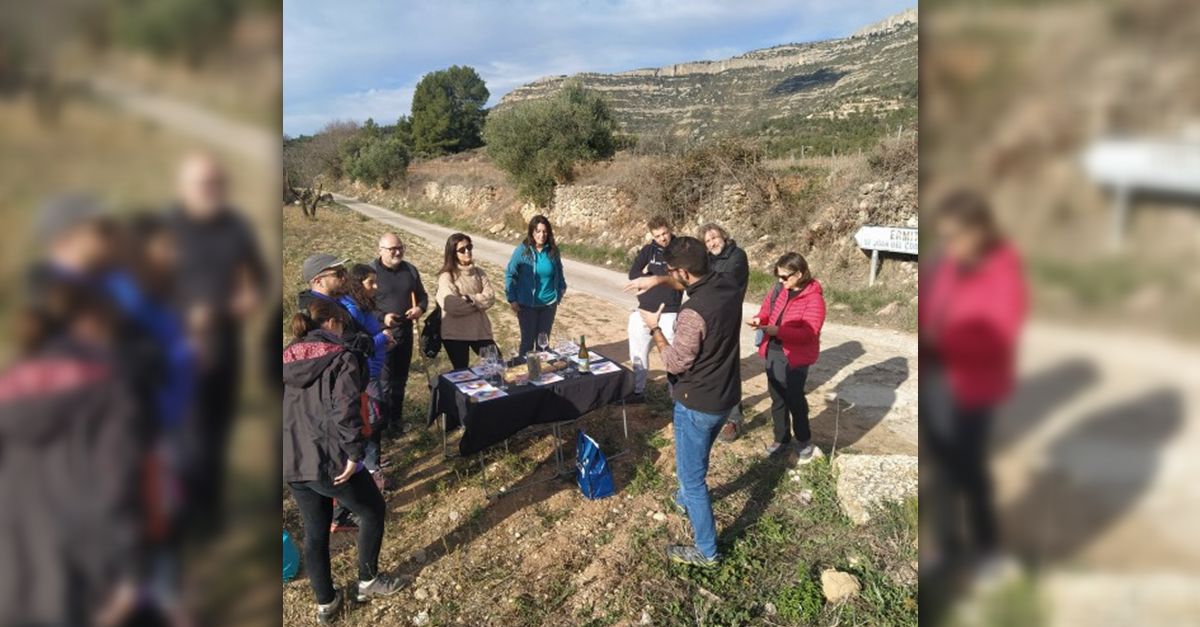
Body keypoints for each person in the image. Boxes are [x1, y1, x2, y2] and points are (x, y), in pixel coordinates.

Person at [919, 190, 1025, 583]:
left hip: (975, 386)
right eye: (944, 236)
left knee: (971, 470)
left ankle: (987, 550)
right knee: (939, 467)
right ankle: (944, 546)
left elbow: (1000, 332)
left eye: (956, 236)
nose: (950, 245)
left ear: (980, 230)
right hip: (937, 380)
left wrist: (944, 341)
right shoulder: (945, 263)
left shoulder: (1003, 267)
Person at [283, 300, 404, 624]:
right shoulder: (342, 357)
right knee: (373, 510)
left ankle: (326, 601)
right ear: (334, 324)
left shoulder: (285, 357)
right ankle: (368, 581)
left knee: (315, 530)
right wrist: (354, 454)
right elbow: (346, 409)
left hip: (292, 458)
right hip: (329, 458)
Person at [166, 153, 265, 540]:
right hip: (174, 349)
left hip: (224, 346)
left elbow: (253, 288)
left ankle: (208, 508)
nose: (211, 191)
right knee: (179, 429)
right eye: (202, 184)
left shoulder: (236, 228)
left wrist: (226, 309)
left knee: (217, 427)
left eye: (216, 184)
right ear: (183, 188)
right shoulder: (166, 229)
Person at [637, 236, 743, 567]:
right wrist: (659, 279)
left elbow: (674, 362)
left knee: (693, 479)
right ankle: (684, 498)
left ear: (683, 272)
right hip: (726, 397)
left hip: (696, 402)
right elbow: (688, 280)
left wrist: (655, 330)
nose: (671, 275)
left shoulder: (692, 313)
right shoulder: (728, 286)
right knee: (698, 457)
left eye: (672, 271)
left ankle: (707, 551)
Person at [749, 252, 826, 463]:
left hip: (795, 357)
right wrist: (760, 318)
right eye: (778, 276)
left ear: (799, 274)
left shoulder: (814, 299)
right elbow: (768, 308)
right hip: (773, 349)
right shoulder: (781, 290)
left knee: (794, 399)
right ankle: (781, 439)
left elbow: (809, 334)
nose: (781, 281)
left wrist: (778, 331)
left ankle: (803, 440)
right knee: (776, 397)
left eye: (785, 277)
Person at [339, 264, 396, 489]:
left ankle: (373, 458)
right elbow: (360, 344)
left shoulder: (360, 306)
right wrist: (383, 337)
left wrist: (384, 340)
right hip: (365, 374)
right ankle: (372, 469)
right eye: (370, 282)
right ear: (357, 283)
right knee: (371, 419)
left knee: (376, 416)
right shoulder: (351, 310)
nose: (375, 286)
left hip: (374, 369)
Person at [370, 233, 427, 435]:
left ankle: (396, 420)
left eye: (400, 247)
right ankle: (380, 426)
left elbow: (422, 297)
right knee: (383, 383)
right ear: (381, 250)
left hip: (405, 334)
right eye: (392, 249)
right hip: (380, 337)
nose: (397, 252)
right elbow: (363, 305)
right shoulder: (372, 272)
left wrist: (420, 309)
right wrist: (382, 317)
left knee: (400, 380)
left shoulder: (410, 270)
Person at [700, 223, 750, 442]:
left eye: (715, 237)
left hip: (728, 318)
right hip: (707, 316)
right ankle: (711, 410)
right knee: (709, 364)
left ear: (723, 236)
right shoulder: (708, 260)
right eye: (708, 240)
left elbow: (727, 281)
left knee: (729, 366)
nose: (713, 242)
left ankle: (733, 420)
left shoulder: (737, 256)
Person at [626, 216, 681, 402]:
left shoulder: (681, 248)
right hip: (644, 309)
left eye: (665, 233)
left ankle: (676, 397)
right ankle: (637, 391)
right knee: (637, 352)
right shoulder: (648, 250)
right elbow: (633, 274)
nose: (663, 238)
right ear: (652, 235)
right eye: (657, 235)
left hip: (669, 310)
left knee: (671, 355)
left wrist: (652, 275)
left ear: (670, 229)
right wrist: (650, 274)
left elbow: (683, 278)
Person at [505, 215, 567, 355]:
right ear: (532, 232)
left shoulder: (553, 251)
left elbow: (559, 270)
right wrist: (512, 299)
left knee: (543, 345)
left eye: (544, 231)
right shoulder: (522, 250)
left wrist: (562, 287)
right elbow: (510, 274)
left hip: (549, 305)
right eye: (538, 231)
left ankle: (543, 375)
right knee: (527, 343)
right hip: (527, 306)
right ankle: (524, 374)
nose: (542, 235)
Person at [436, 233, 498, 369]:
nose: (467, 251)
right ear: (453, 253)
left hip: (480, 330)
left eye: (469, 247)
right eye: (462, 250)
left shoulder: (479, 273)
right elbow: (452, 305)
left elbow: (491, 297)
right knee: (462, 375)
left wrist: (471, 299)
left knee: (497, 364)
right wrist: (479, 303)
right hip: (455, 334)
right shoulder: (446, 277)